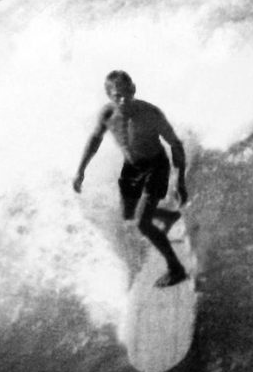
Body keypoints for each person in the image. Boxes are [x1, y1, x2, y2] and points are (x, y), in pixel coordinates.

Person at [73, 70, 189, 288]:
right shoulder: (107, 115)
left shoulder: (150, 113)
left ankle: (177, 269)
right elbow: (95, 140)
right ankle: (169, 216)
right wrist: (81, 171)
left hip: (156, 165)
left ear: (134, 89)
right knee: (128, 217)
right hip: (132, 167)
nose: (123, 99)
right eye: (117, 96)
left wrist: (180, 182)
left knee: (142, 224)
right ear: (109, 96)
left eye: (127, 93)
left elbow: (175, 144)